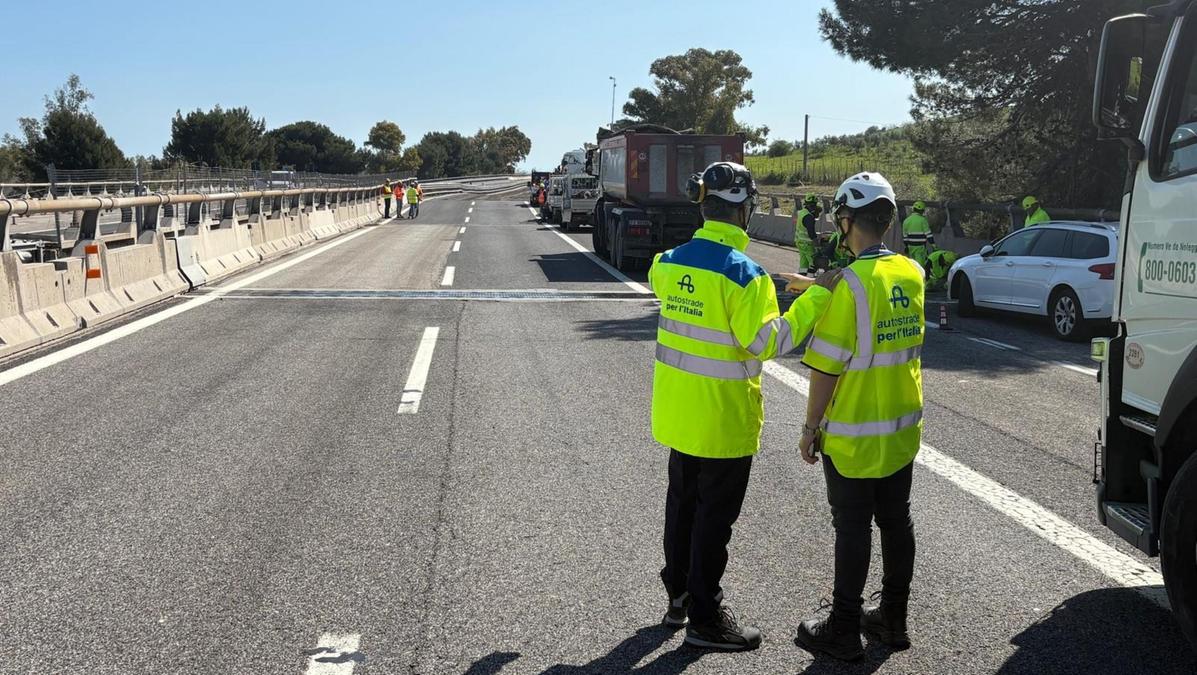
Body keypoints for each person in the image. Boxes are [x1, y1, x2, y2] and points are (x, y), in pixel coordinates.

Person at [651, 161, 841, 652]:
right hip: (724, 420)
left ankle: (678, 598)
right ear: (745, 210)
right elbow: (766, 342)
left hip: (678, 412)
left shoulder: (667, 262)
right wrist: (815, 298)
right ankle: (706, 619)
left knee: (682, 507)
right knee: (715, 520)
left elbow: (680, 297)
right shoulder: (747, 276)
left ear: (703, 204)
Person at [794, 172, 925, 662]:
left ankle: (844, 628)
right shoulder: (912, 271)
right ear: (889, 219)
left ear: (847, 221)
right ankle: (893, 618)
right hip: (901, 427)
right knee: (896, 520)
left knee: (852, 526)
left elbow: (826, 369)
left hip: (852, 433)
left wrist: (810, 429)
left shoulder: (848, 284)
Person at [901, 200, 934, 266]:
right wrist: (933, 245)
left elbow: (905, 237)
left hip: (910, 247)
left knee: (912, 265)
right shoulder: (923, 220)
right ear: (922, 210)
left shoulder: (906, 221)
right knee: (920, 266)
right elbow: (928, 234)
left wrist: (906, 246)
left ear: (913, 209)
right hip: (920, 247)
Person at [794, 195, 821, 274]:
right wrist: (817, 246)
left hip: (800, 242)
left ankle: (801, 278)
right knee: (815, 264)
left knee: (804, 264)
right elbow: (811, 233)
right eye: (814, 205)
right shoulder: (809, 217)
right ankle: (814, 281)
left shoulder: (802, 212)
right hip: (807, 244)